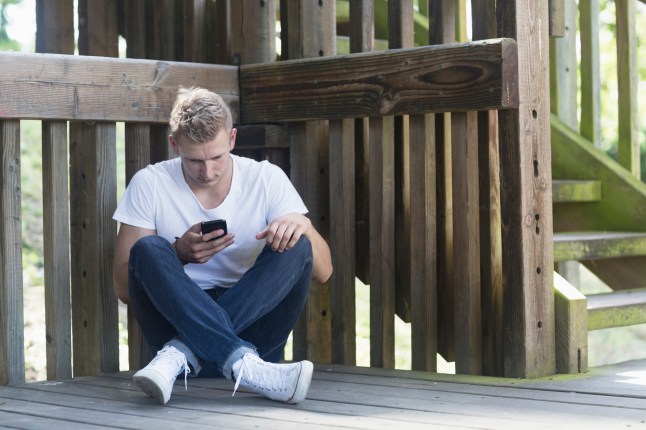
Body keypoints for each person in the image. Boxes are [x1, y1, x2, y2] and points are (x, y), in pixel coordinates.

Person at [112, 87, 333, 405]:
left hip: (251, 334)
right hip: (178, 317)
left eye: (217, 157)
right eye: (193, 160)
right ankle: (242, 363)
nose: (208, 172)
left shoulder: (265, 178)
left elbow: (324, 271)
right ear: (174, 145)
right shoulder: (150, 183)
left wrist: (304, 226)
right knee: (148, 249)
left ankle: (180, 352)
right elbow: (123, 287)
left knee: (298, 245)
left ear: (231, 139)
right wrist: (178, 254)